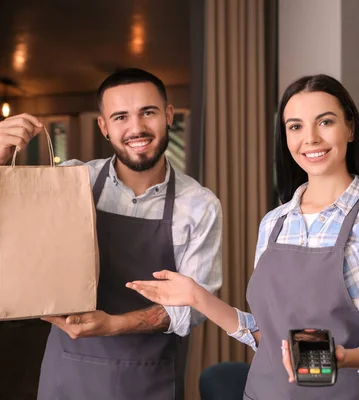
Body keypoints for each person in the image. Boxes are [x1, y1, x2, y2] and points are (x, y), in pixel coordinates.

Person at [127, 74, 359, 399]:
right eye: (295, 127)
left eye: (325, 122)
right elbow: (268, 334)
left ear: (349, 128)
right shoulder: (274, 222)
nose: (310, 138)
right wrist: (197, 297)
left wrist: (343, 359)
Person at [0, 68, 223, 400]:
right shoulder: (73, 181)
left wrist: (113, 324)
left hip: (147, 380)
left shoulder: (200, 206)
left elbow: (194, 307)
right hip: (68, 374)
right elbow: (16, 232)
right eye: (121, 117)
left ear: (168, 115)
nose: (136, 128)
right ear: (104, 127)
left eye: (148, 112)